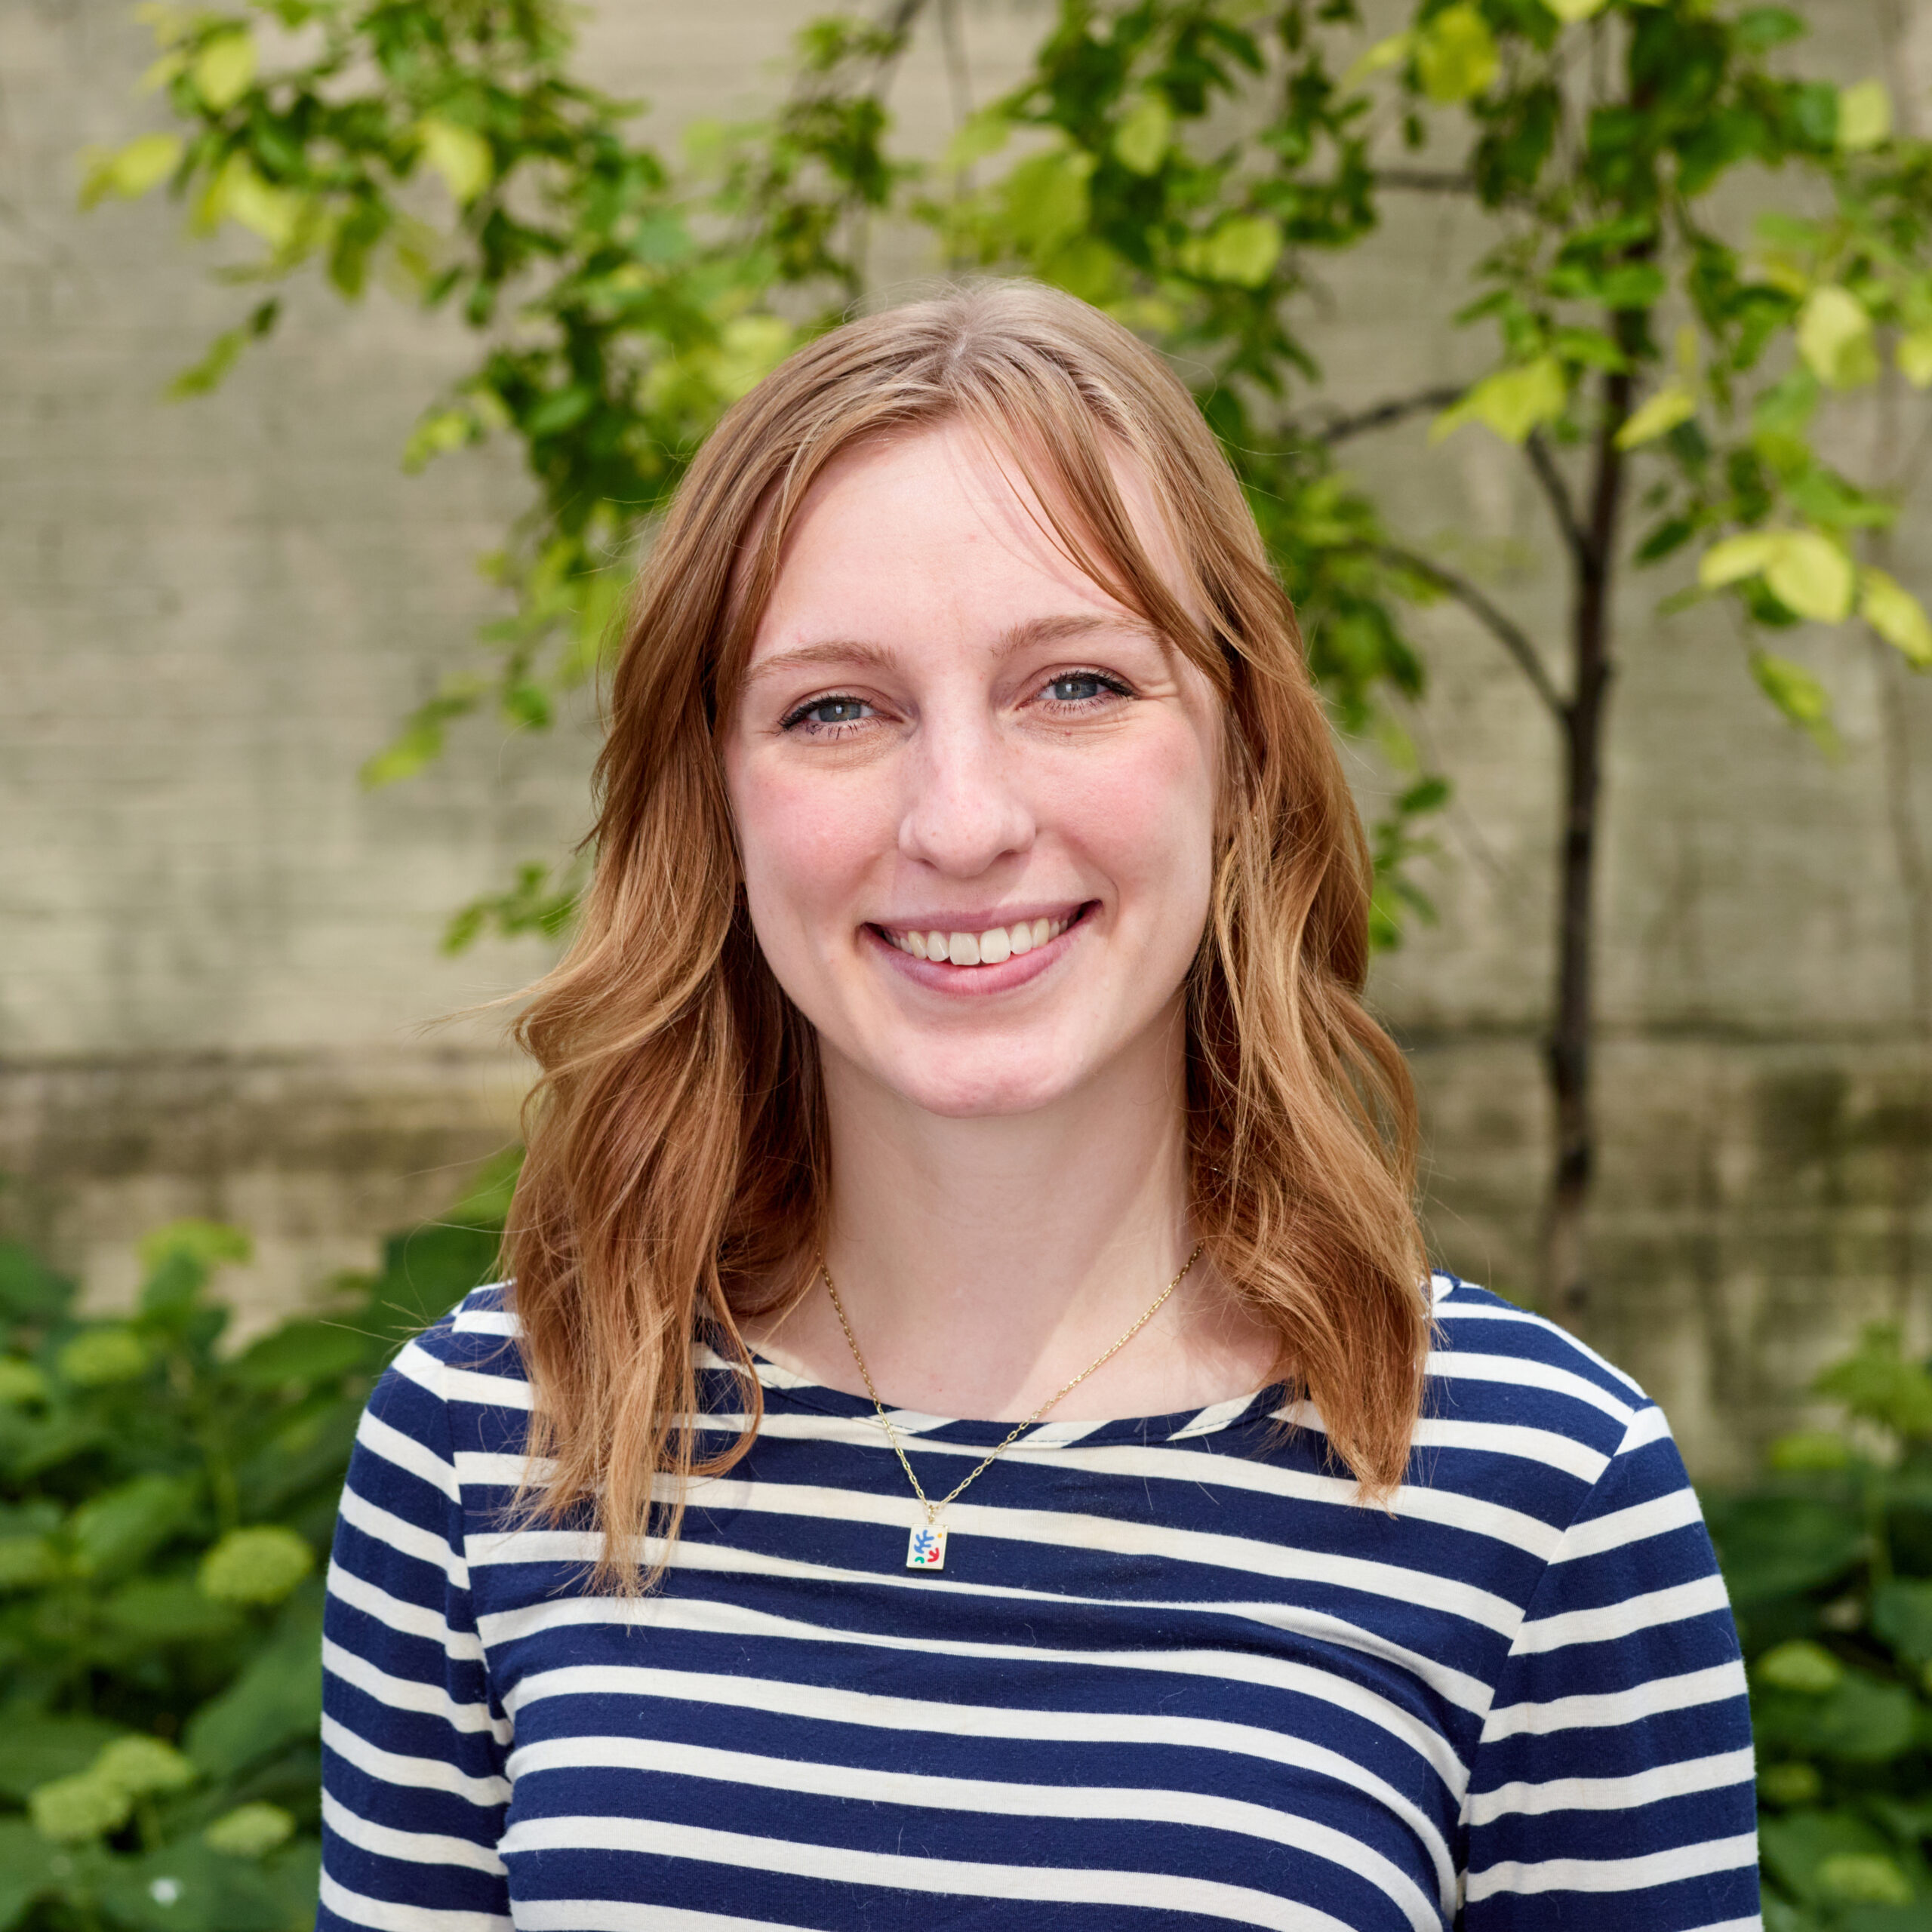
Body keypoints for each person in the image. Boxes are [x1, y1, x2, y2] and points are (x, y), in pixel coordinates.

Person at [317, 282, 1758, 1932]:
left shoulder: (1538, 1486)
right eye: (835, 708)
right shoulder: (495, 1433)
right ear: (711, 800)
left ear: (1242, 759)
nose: (960, 818)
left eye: (1072, 683)